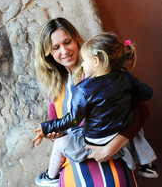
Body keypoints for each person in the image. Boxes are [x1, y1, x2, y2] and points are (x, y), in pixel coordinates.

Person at [32, 17, 154, 187]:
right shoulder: (55, 87)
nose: (65, 50)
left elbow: (141, 112)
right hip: (72, 173)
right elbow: (63, 131)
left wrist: (109, 149)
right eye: (56, 47)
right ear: (49, 54)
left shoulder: (103, 73)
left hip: (111, 165)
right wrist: (53, 134)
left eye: (67, 42)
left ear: (76, 40)